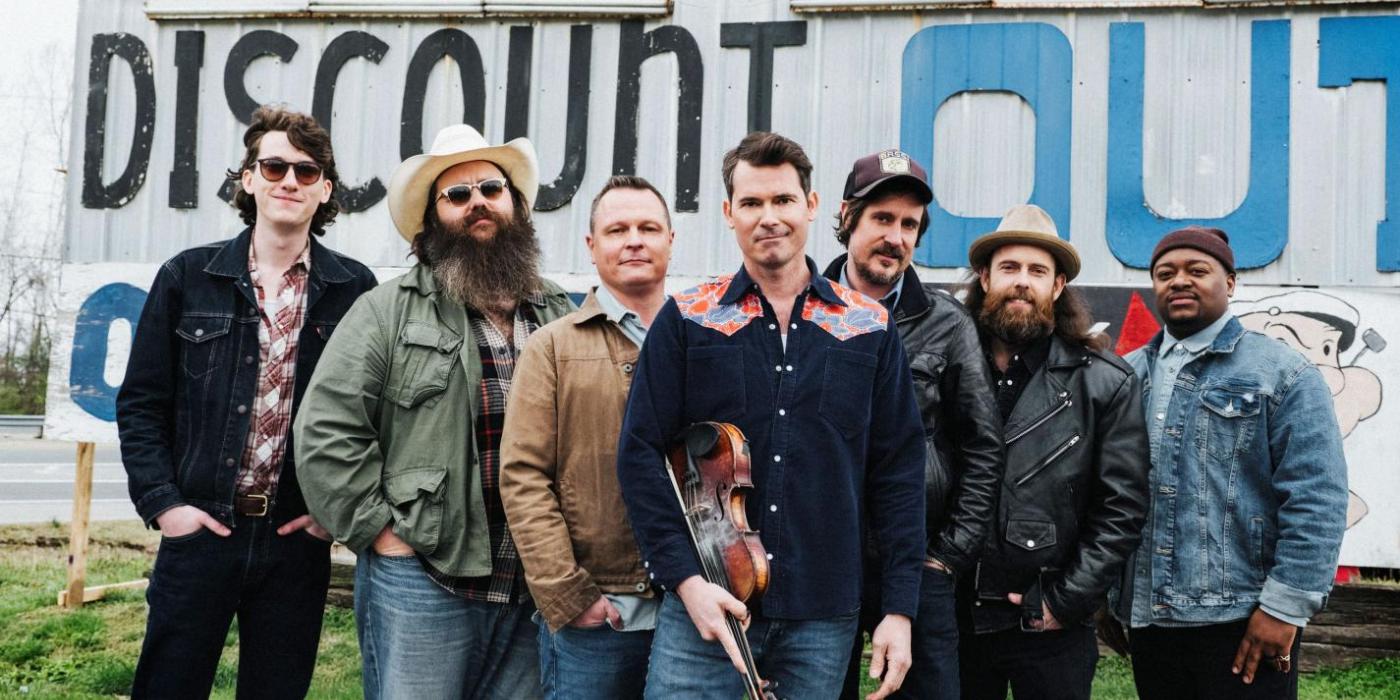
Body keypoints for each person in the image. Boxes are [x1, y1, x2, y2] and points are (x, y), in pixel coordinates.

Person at [616, 131, 927, 700]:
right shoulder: (688, 318)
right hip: (707, 606)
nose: (769, 218)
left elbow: (899, 475)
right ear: (729, 212)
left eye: (783, 200)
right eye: (752, 203)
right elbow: (639, 455)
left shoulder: (868, 327)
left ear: (810, 207)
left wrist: (898, 610)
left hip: (823, 614)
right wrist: (685, 582)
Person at [294, 124, 575, 699]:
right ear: (431, 221)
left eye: (491, 189)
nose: (478, 203)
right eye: (457, 195)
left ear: (516, 206)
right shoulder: (386, 311)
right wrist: (380, 531)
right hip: (424, 577)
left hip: (533, 582)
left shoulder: (558, 311)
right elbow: (325, 430)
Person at [116, 106, 376, 699]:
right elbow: (141, 403)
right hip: (202, 529)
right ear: (248, 178)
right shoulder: (188, 276)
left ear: (325, 190)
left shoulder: (355, 289)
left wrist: (331, 514)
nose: (290, 181)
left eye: (307, 172)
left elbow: (375, 414)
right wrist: (166, 507)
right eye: (275, 165)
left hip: (295, 538)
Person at [1115, 226, 1348, 700]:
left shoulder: (1283, 373)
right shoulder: (1125, 373)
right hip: (1148, 619)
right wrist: (1113, 598)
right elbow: (1110, 494)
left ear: (1232, 282)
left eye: (1197, 270)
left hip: (1243, 620)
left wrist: (1284, 609)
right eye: (1165, 273)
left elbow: (1317, 496)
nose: (1179, 281)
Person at [822, 149, 1003, 699]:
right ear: (847, 216)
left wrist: (945, 556)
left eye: (909, 225)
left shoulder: (948, 323)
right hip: (819, 560)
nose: (895, 237)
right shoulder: (803, 308)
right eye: (882, 219)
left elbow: (983, 447)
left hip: (916, 561)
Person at [958, 204, 1150, 700]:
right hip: (951, 620)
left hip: (1049, 626)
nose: (1022, 282)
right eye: (1009, 268)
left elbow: (1122, 509)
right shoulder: (944, 365)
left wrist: (1064, 602)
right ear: (984, 277)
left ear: (1058, 287)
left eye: (1037, 271)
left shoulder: (1104, 383)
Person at [500, 175, 676, 699]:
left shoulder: (703, 337)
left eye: (648, 227)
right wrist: (568, 595)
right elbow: (524, 477)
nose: (634, 240)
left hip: (693, 611)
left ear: (671, 239)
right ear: (592, 246)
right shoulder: (551, 348)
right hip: (602, 613)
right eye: (617, 229)